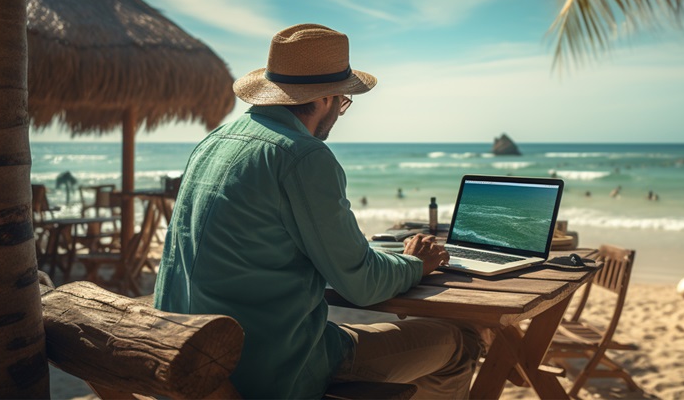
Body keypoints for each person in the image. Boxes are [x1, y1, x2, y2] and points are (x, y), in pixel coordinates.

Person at [154, 24, 482, 399]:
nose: (341, 113)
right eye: (343, 101)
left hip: (192, 360)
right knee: (458, 341)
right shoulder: (303, 155)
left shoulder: (214, 142)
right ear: (326, 98)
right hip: (276, 367)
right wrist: (415, 265)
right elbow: (361, 285)